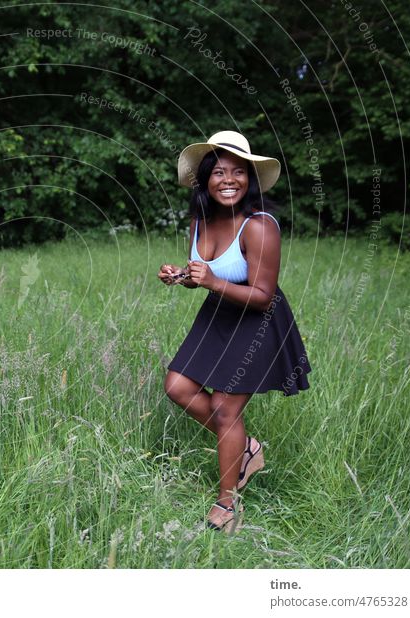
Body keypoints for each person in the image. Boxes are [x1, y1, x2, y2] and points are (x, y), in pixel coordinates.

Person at [158, 130, 311, 533]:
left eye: (239, 172)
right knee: (177, 386)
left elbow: (262, 295)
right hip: (219, 314)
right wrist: (182, 276)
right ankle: (246, 448)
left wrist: (208, 282)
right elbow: (208, 274)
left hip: (257, 321)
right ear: (204, 180)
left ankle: (228, 503)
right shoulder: (200, 221)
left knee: (227, 409)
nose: (229, 180)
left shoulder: (260, 227)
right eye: (219, 172)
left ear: (250, 180)